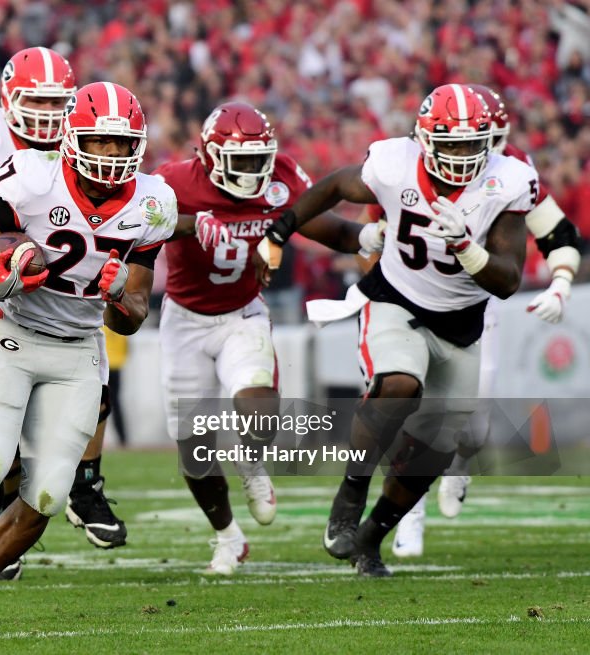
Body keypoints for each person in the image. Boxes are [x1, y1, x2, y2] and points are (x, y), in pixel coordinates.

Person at [256, 84, 537, 576]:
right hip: (395, 300)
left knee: (434, 450)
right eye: (450, 144)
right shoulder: (394, 162)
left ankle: (370, 539)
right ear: (425, 139)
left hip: (463, 325)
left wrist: (469, 249)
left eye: (473, 145)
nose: (463, 156)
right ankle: (350, 493)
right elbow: (336, 186)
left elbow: (509, 280)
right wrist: (282, 227)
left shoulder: (509, 180)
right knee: (399, 386)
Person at [0, 82, 175, 624]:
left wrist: (119, 294)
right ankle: (0, 473)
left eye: (122, 145)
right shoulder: (33, 179)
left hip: (78, 350)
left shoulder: (152, 202)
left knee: (47, 496)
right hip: (14, 334)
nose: (112, 156)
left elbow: (133, 316)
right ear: (74, 138)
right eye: (100, 142)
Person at [0, 48, 128, 565]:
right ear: (9, 98)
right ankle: (5, 522)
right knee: (2, 435)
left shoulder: (86, 132)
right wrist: (14, 205)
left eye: (58, 102)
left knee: (92, 383)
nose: (48, 114)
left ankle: (85, 485)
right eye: (36, 101)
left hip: (65, 289)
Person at [155, 101, 384, 574]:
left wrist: (364, 238)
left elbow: (320, 226)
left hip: (243, 313)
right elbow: (138, 226)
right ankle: (228, 538)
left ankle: (251, 460)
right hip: (185, 319)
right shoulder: (175, 182)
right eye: (240, 160)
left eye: (258, 158)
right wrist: (191, 226)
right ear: (210, 156)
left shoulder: (278, 176)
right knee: (192, 448)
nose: (251, 170)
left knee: (259, 408)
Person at [389, 84, 583, 557]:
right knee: (407, 403)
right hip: (410, 293)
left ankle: (458, 463)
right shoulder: (410, 159)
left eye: (485, 141)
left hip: (477, 298)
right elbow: (376, 220)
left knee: (472, 415)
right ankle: (407, 514)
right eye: (456, 143)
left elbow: (557, 231)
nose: (468, 155)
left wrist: (560, 281)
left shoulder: (512, 170)